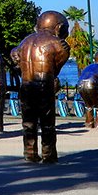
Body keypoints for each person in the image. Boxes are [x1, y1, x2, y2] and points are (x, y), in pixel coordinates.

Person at [11, 11, 72, 163]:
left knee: (28, 123)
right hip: (44, 85)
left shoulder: (24, 42)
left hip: (26, 85)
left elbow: (18, 65)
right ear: (58, 28)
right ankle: (48, 154)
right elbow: (55, 70)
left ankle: (30, 153)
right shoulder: (58, 44)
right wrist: (66, 50)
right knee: (47, 123)